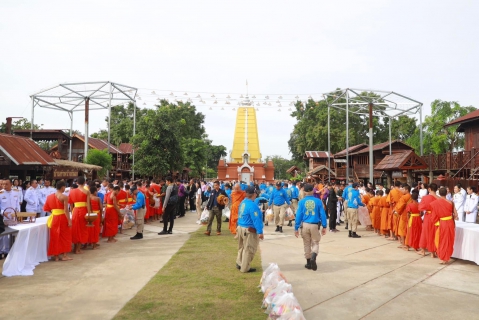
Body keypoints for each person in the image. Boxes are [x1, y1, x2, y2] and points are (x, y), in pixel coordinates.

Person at [294, 183, 327, 271]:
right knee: (315, 242)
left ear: (304, 192)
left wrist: (296, 228)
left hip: (305, 224)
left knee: (306, 243)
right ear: (313, 191)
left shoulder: (301, 202)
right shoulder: (318, 201)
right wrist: (324, 226)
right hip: (315, 224)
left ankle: (308, 262)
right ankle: (314, 256)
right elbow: (322, 214)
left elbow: (298, 215)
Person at [236, 186, 264, 273]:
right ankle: (245, 267)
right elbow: (256, 219)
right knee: (249, 249)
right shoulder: (252, 205)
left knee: (242, 247)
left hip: (241, 227)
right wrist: (260, 232)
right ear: (254, 194)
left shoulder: (243, 202)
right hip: (248, 229)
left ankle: (239, 262)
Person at [44, 181, 73, 261]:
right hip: (62, 217)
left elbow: (46, 208)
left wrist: (55, 212)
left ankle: (56, 256)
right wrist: (69, 220)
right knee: (65, 236)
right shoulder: (64, 197)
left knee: (55, 236)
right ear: (63, 187)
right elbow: (66, 210)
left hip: (54, 217)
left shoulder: (49, 197)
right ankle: (64, 255)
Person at [430, 187, 457, 264]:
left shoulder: (435, 203)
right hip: (450, 222)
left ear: (439, 193)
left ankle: (443, 257)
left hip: (442, 223)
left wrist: (437, 223)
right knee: (449, 240)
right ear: (447, 193)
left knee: (442, 240)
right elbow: (456, 215)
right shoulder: (451, 202)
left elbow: (434, 216)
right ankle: (447, 257)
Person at [69, 176, 92, 254]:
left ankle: (75, 247)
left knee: (75, 229)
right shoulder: (87, 191)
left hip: (75, 210)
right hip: (83, 211)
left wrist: (72, 211)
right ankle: (78, 249)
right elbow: (88, 204)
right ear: (84, 182)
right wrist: (89, 214)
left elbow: (71, 203)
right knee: (82, 229)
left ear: (77, 183)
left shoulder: (72, 191)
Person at [0, 179, 21, 259]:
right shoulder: (1, 193)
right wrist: (2, 212)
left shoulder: (16, 192)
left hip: (13, 216)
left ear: (11, 184)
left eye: (6, 184)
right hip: (3, 216)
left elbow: (17, 203)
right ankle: (2, 250)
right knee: (3, 234)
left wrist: (17, 212)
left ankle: (9, 250)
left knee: (12, 233)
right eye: (3, 184)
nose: (4, 186)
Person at [417, 183, 439, 257]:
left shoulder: (425, 198)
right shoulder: (439, 198)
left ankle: (423, 250)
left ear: (429, 189)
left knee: (425, 233)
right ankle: (433, 252)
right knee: (434, 233)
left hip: (428, 216)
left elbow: (420, 208)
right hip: (436, 217)